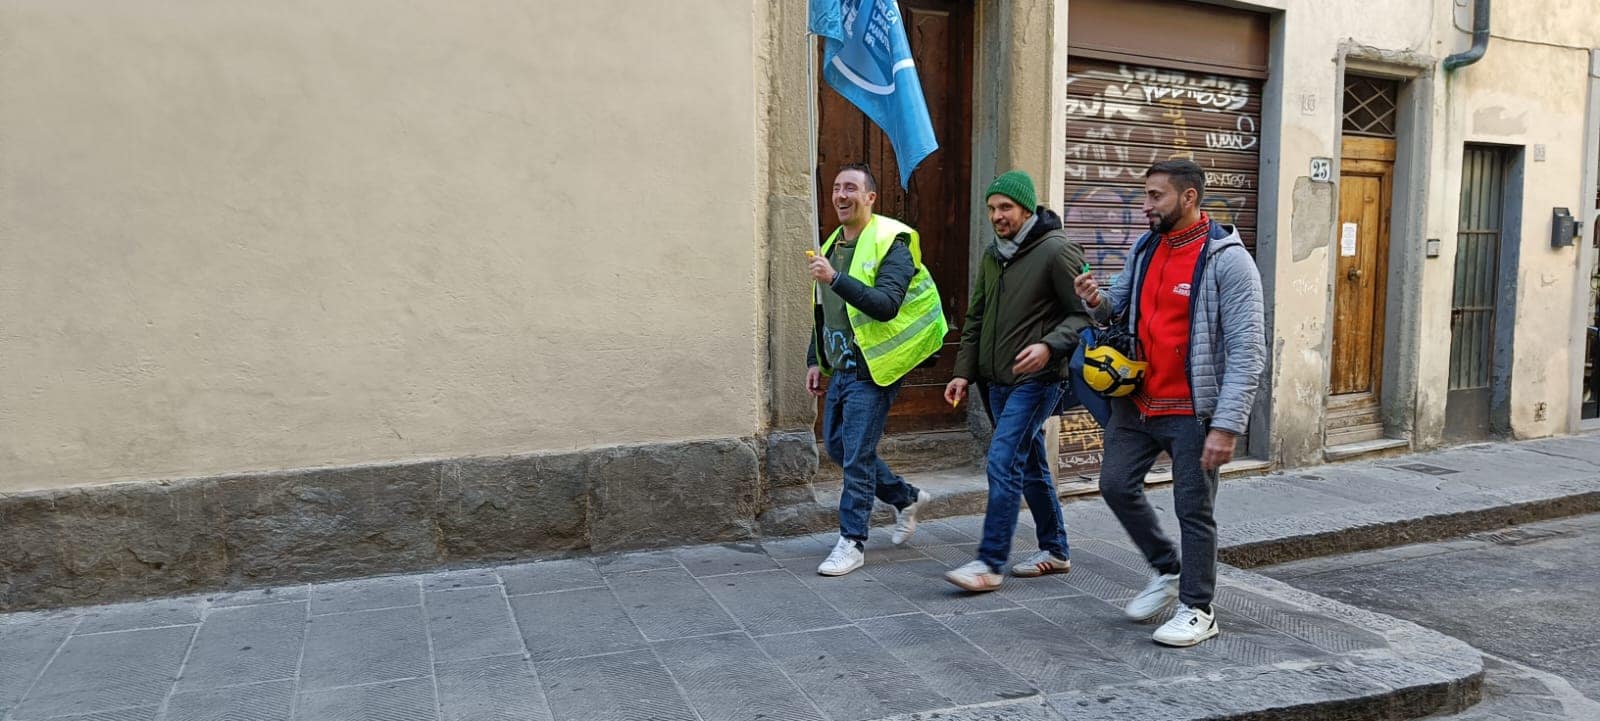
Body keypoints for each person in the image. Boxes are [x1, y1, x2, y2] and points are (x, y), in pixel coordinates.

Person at [1073, 159, 1265, 647]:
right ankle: (1166, 568)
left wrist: (1226, 426)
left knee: (1193, 510)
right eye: (1145, 195)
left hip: (1192, 411)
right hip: (1137, 400)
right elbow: (1116, 306)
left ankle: (1199, 608)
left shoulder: (1228, 261)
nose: (1146, 205)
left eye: (1155, 196)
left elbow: (1248, 350)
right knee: (1115, 485)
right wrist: (1095, 300)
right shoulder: (1146, 247)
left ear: (1189, 197)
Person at [941, 171, 1092, 592]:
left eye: (1005, 207)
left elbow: (1084, 314)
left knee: (1003, 460)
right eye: (991, 208)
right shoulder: (994, 255)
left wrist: (1048, 346)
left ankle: (989, 563)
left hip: (1038, 380)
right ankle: (1056, 550)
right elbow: (976, 317)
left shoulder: (1057, 250)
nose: (997, 216)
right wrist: (962, 372)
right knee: (1029, 464)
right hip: (996, 382)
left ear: (1026, 208)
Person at [808, 163, 948, 576]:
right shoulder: (832, 243)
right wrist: (815, 359)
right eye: (837, 187)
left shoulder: (893, 241)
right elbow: (824, 310)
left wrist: (835, 278)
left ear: (870, 197)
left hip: (875, 367)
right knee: (839, 448)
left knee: (856, 456)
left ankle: (852, 542)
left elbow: (886, 305)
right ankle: (905, 498)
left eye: (851, 187)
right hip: (842, 366)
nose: (841, 195)